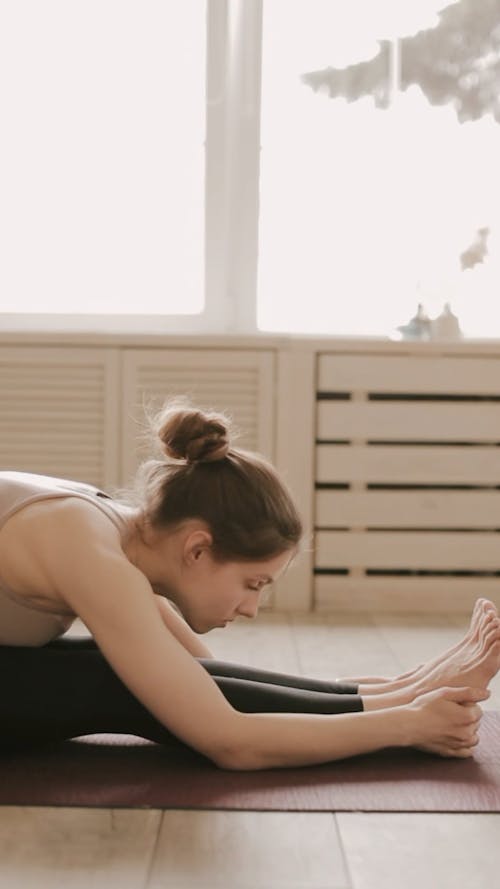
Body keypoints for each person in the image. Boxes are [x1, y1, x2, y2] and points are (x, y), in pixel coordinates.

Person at [0, 400, 499, 769]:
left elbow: (200, 676)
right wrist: (406, 725)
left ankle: (404, 689)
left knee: (124, 670)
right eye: (253, 583)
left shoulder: (114, 534)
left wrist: (402, 691)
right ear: (197, 548)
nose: (251, 608)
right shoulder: (87, 549)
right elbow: (229, 741)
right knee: (111, 683)